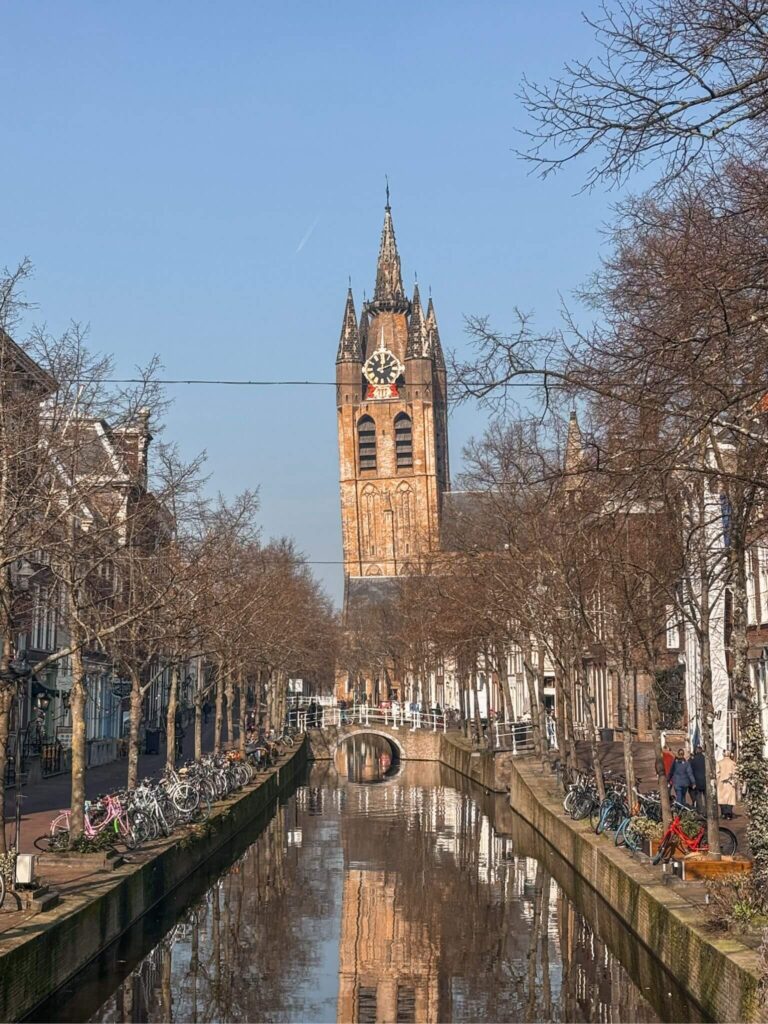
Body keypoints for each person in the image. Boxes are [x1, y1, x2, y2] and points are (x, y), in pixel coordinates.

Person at [717, 749, 738, 820]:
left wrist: (717, 781)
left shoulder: (719, 763)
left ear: (723, 755)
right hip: (730, 782)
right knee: (730, 798)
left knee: (722, 798)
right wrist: (734, 781)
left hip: (721, 782)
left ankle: (723, 813)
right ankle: (728, 813)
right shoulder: (733, 763)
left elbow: (717, 773)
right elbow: (736, 774)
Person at [689, 745, 707, 814]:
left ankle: (700, 810)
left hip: (697, 781)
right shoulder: (705, 759)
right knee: (706, 797)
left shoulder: (693, 760)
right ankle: (707, 810)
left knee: (698, 796)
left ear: (696, 751)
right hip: (705, 780)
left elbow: (691, 770)